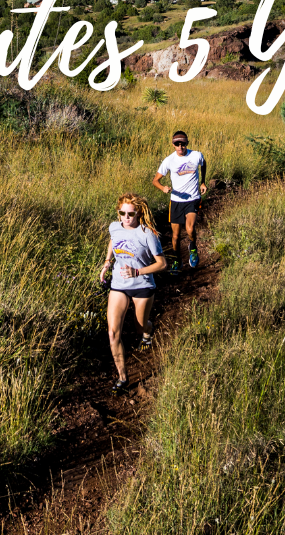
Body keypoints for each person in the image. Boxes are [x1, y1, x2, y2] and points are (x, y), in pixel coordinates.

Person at [99, 194, 167, 392]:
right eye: (122, 213)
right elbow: (113, 241)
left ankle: (148, 331)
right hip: (119, 284)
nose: (126, 217)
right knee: (112, 333)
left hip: (142, 284)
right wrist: (107, 263)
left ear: (138, 212)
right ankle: (122, 378)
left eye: (130, 213)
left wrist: (137, 271)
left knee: (140, 327)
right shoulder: (114, 227)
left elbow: (162, 264)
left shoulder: (148, 234)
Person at [152, 130, 207, 272]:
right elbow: (155, 180)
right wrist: (162, 188)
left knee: (190, 229)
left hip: (192, 199)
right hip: (176, 201)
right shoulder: (169, 160)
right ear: (173, 144)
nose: (180, 147)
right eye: (177, 144)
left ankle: (193, 248)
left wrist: (203, 182)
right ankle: (177, 260)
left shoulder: (196, 155)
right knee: (175, 236)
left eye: (183, 144)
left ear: (187, 143)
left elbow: (203, 164)